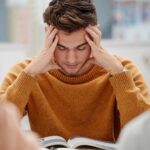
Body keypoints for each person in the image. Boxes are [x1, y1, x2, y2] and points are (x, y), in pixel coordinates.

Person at [0, 0, 150, 142]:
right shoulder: (26, 72)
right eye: (61, 47)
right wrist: (29, 75)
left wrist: (118, 73)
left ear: (95, 34)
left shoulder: (122, 70)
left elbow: (144, 136)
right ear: (48, 35)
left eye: (81, 47)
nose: (71, 59)